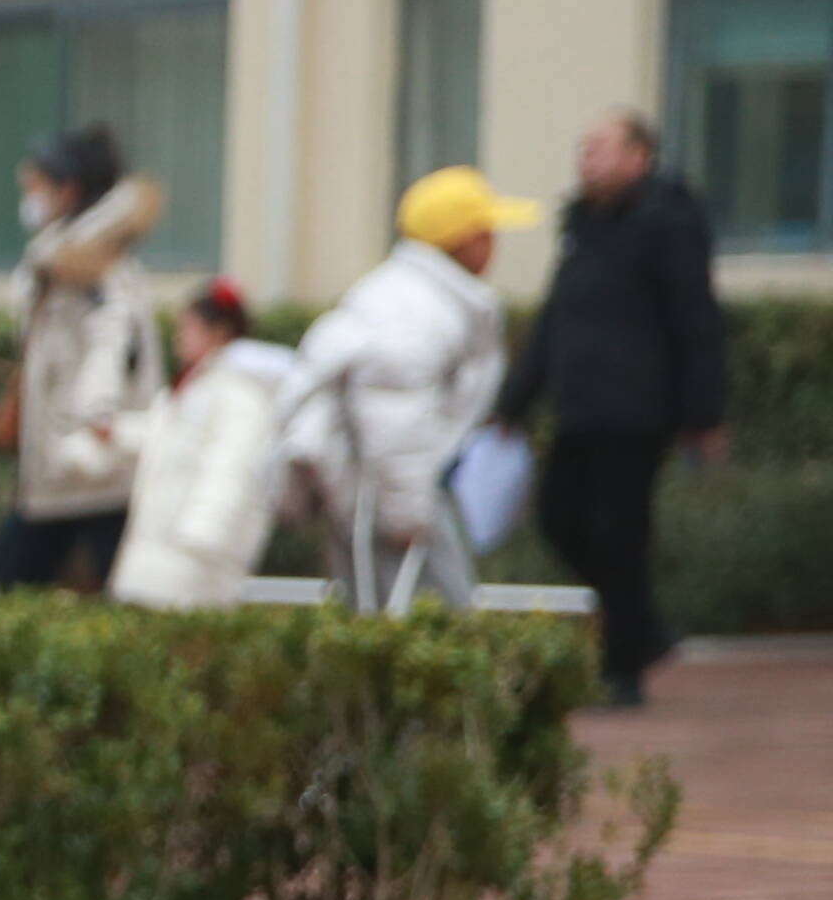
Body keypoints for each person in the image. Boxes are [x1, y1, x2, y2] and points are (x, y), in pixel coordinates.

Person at [511, 110, 726, 705]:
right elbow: (554, 319)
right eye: (584, 148)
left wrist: (703, 415)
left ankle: (624, 667)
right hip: (579, 407)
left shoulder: (668, 222)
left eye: (601, 148)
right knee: (557, 519)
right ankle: (645, 630)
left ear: (639, 158)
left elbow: (696, 319)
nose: (586, 159)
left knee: (617, 535)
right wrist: (514, 402)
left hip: (638, 411)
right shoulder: (581, 225)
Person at [290, 166, 524, 615]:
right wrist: (407, 514)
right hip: (390, 501)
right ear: (463, 238)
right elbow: (395, 418)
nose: (494, 244)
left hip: (380, 493)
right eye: (487, 231)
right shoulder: (413, 310)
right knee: (436, 622)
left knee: (380, 616)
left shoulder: (412, 295)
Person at [0, 125, 161, 594]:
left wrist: (97, 413)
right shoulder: (61, 263)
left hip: (89, 461)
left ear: (69, 189)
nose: (28, 192)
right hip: (67, 467)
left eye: (37, 183)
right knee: (118, 590)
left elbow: (112, 340)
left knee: (5, 583)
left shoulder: (97, 271)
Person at [110, 281, 302, 612]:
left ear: (219, 332)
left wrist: (206, 534)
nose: (178, 336)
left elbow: (232, 464)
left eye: (188, 326)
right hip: (166, 543)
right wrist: (110, 434)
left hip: (194, 551)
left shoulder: (241, 393)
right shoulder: (198, 386)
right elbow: (163, 438)